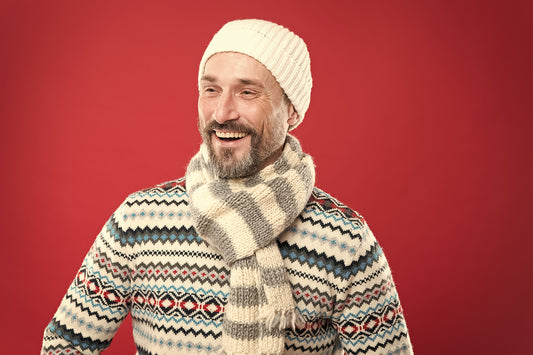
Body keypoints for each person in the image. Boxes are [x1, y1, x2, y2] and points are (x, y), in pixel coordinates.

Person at [41, 19, 413, 355]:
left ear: (293, 110)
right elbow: (64, 345)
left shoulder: (344, 240)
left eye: (248, 92)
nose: (222, 113)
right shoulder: (140, 220)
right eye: (211, 90)